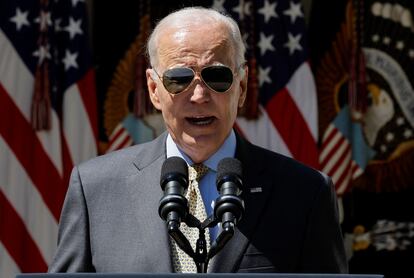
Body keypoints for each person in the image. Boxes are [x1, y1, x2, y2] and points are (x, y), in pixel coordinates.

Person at [48, 7, 348, 273]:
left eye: (216, 77)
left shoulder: (305, 193)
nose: (199, 95)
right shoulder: (95, 189)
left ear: (241, 86)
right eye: (179, 79)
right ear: (154, 89)